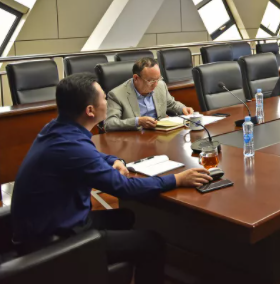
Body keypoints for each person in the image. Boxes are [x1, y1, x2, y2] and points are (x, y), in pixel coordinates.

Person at [11, 73, 212, 284]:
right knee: (152, 242)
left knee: (126, 216)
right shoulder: (72, 146)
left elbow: (89, 155)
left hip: (49, 222)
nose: (107, 101)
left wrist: (113, 160)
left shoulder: (58, 129)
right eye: (104, 98)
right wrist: (177, 180)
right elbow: (124, 188)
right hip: (53, 241)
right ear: (90, 110)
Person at [105, 57, 195, 132]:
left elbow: (171, 104)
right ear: (136, 78)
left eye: (158, 79)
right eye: (150, 81)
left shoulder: (160, 85)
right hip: (135, 138)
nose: (155, 84)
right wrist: (137, 121)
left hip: (160, 135)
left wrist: (182, 109)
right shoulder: (116, 95)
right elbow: (109, 123)